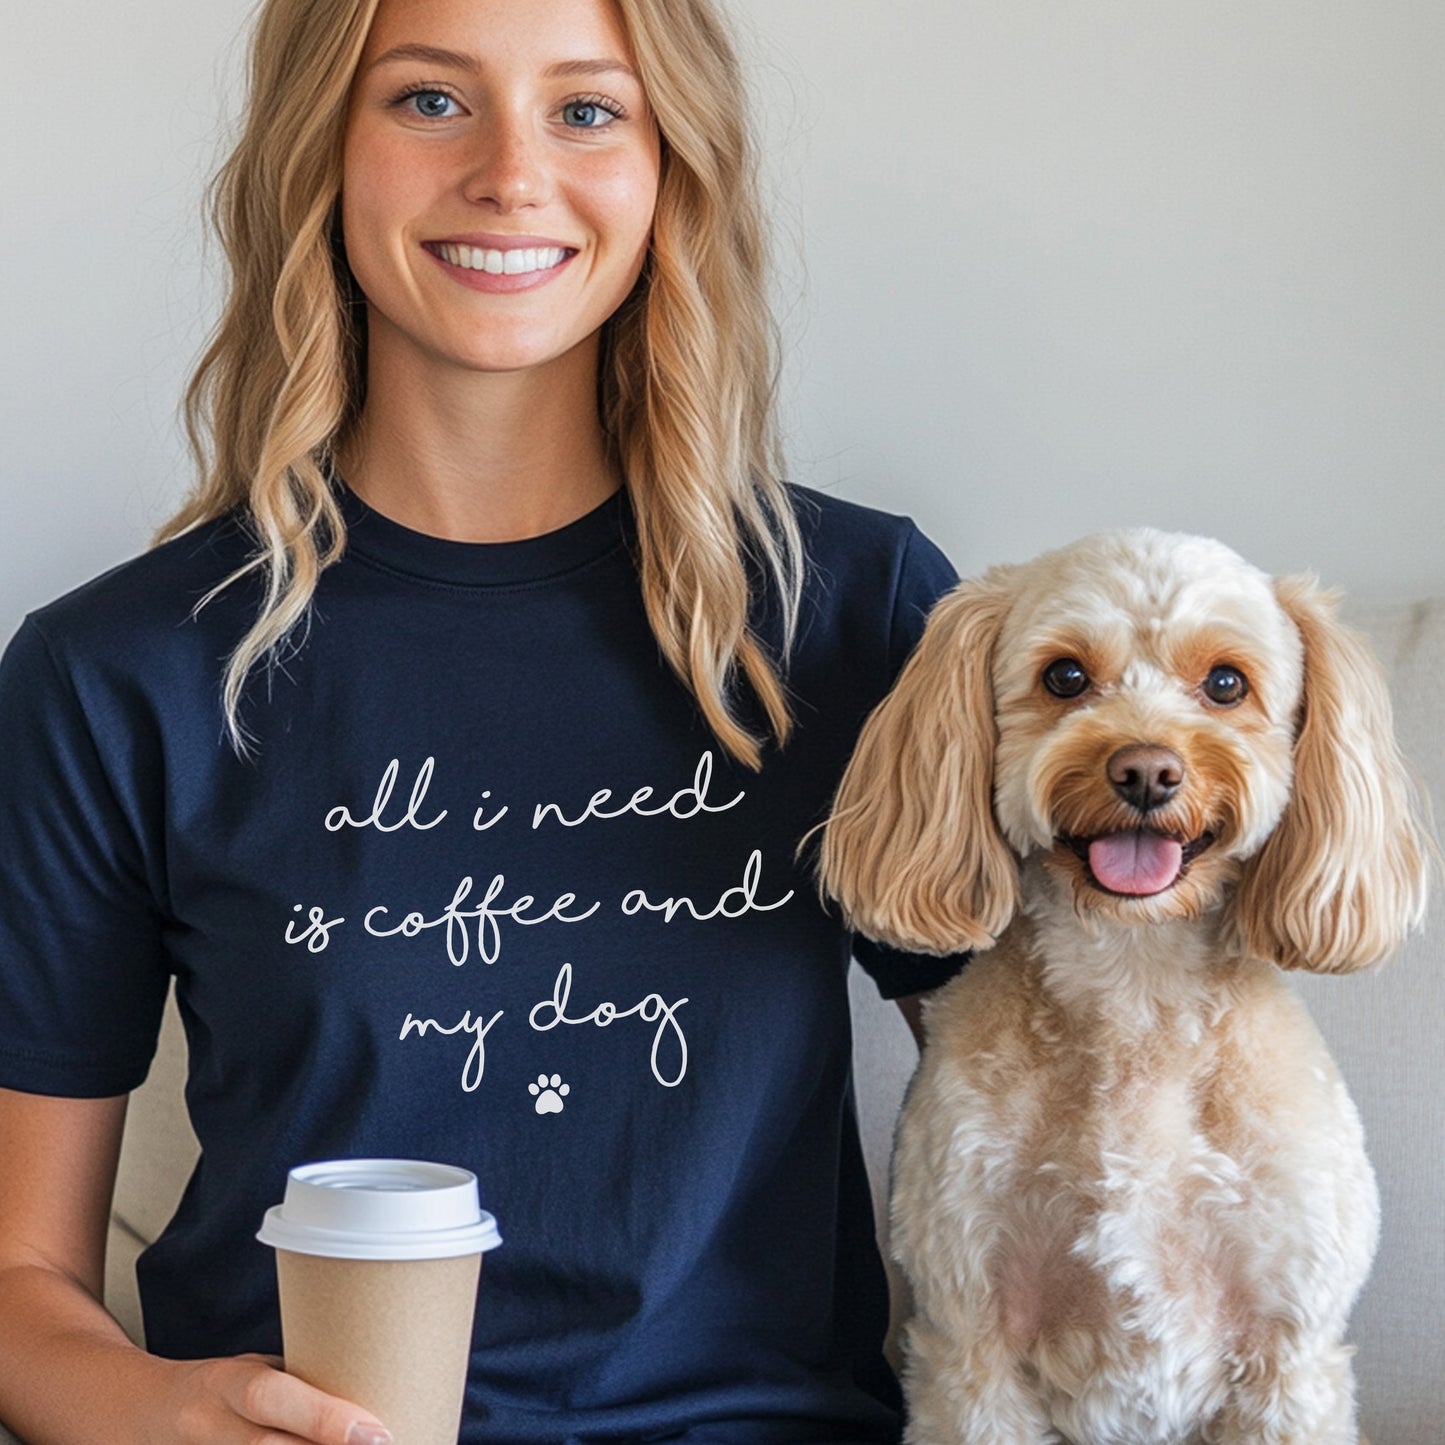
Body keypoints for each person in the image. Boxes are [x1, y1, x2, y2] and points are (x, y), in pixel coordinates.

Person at [0, 0, 963, 1439]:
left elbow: (1067, 1089)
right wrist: (160, 1415)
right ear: (317, 150)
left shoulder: (855, 615)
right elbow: (20, 1275)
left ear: (668, 170)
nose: (511, 174)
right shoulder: (111, 672)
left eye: (587, 109)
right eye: (429, 101)